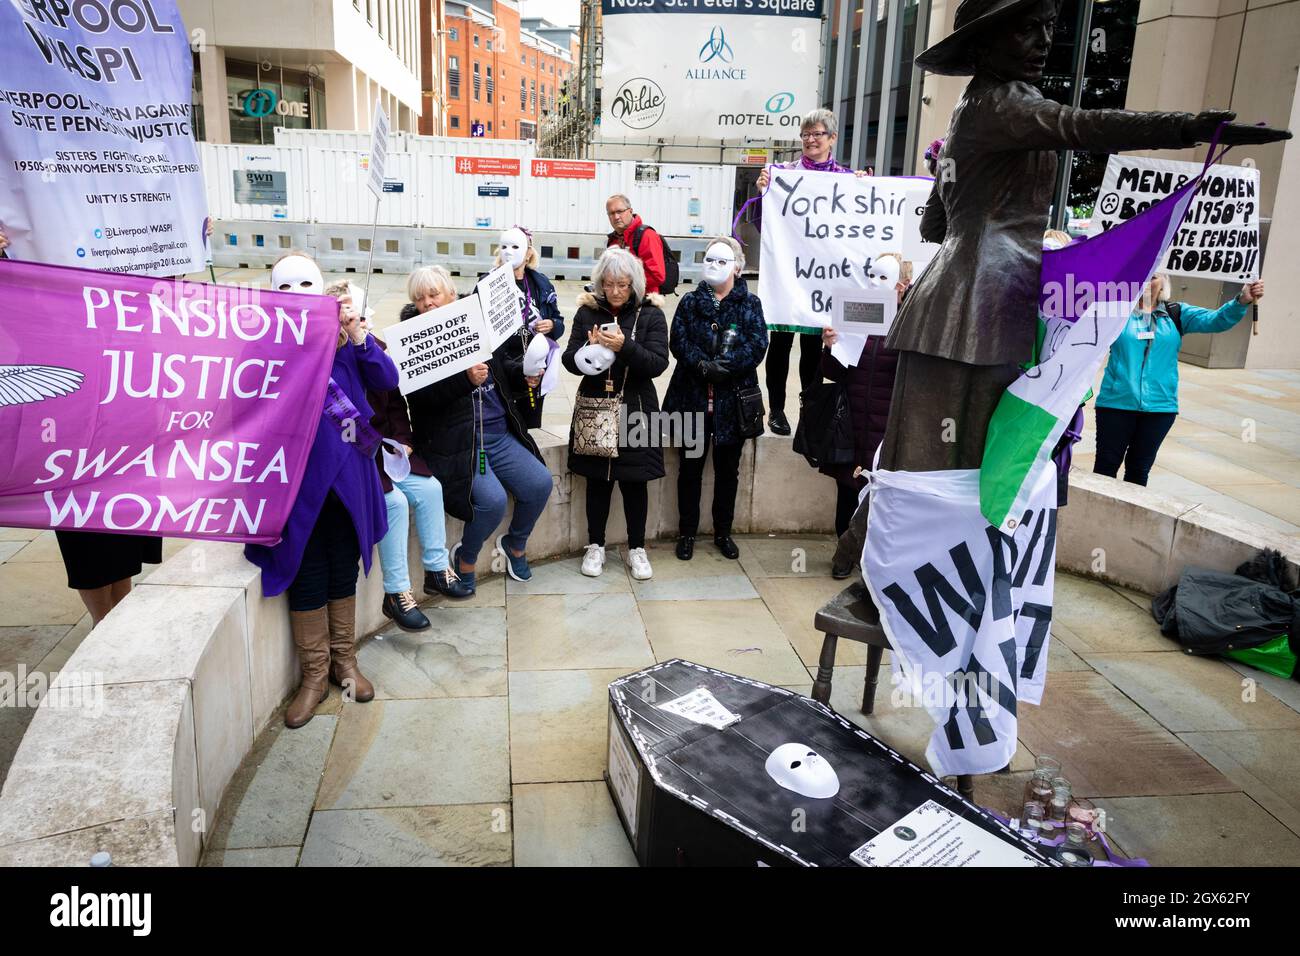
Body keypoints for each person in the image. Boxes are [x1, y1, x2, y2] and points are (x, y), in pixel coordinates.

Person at [876, 0, 1289, 477]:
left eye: (1049, 28)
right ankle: (887, 546)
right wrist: (1185, 127)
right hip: (978, 303)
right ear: (984, 44)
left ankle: (885, 546)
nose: (1044, 42)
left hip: (967, 299)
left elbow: (935, 226)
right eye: (1028, 29)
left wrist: (976, 197)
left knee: (937, 456)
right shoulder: (1005, 101)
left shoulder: (970, 109)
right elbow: (1081, 125)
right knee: (953, 460)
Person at [245, 253, 397, 729]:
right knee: (306, 572)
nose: (294, 295)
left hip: (349, 475)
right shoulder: (263, 342)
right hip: (295, 481)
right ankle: (314, 676)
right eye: (284, 286)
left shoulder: (344, 342)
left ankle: (344, 663)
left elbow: (387, 380)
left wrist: (357, 332)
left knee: (341, 569)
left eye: (304, 284)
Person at [404, 265, 553, 592]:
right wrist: (464, 380)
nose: (428, 303)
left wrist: (523, 375)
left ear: (451, 295)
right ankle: (466, 556)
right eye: (420, 298)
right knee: (492, 501)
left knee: (540, 483)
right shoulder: (414, 340)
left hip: (498, 434)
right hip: (465, 445)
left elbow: (500, 368)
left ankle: (515, 544)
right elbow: (422, 400)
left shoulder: (473, 323)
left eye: (434, 294)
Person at [754, 109, 870, 436]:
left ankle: (809, 407)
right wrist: (764, 192)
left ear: (832, 138)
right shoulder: (783, 174)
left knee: (812, 346)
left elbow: (859, 227)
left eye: (817, 133)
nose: (810, 140)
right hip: (789, 274)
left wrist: (864, 188)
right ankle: (776, 409)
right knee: (780, 341)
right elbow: (766, 227)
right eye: (805, 134)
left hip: (822, 276)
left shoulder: (846, 178)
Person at [1093, 275, 1263, 486]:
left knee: (1138, 471)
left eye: (1153, 276)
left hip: (1160, 409)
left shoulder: (1176, 313)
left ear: (1164, 281)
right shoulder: (1115, 312)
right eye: (1143, 273)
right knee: (1104, 468)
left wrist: (1242, 300)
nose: (1146, 281)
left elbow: (1217, 320)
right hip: (1116, 404)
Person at [563, 247, 670, 580]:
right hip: (596, 406)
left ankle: (637, 548)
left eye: (623, 284)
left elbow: (657, 363)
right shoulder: (588, 313)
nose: (616, 291)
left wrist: (624, 347)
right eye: (609, 284)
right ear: (601, 283)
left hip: (636, 409)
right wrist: (589, 351)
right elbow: (569, 361)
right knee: (598, 481)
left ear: (634, 283)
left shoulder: (650, 315)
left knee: (634, 482)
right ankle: (595, 546)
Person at [662, 236, 768, 561]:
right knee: (690, 470)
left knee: (727, 472)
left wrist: (729, 367)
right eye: (710, 260)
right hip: (692, 400)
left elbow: (757, 342)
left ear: (737, 267)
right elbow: (678, 340)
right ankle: (687, 533)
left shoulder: (750, 305)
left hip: (732, 405)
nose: (715, 266)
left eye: (722, 261)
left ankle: (723, 531)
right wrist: (702, 365)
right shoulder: (691, 302)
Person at [819, 253, 909, 579]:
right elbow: (834, 371)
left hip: (885, 425)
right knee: (847, 488)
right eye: (872, 276)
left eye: (883, 278)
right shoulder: (855, 316)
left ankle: (870, 558)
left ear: (901, 287)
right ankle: (844, 553)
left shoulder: (907, 325)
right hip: (852, 421)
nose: (874, 283)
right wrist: (830, 346)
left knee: (878, 495)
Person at [494, 226, 565, 429]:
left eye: (515, 246)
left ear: (528, 253)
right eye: (504, 246)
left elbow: (558, 321)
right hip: (502, 368)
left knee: (530, 428)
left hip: (534, 368)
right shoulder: (488, 284)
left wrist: (552, 325)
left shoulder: (541, 284)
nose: (508, 251)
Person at [606, 194, 667, 295]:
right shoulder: (613, 240)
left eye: (620, 211)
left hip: (643, 300)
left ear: (630, 211)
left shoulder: (647, 236)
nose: (616, 217)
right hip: (619, 299)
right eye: (611, 213)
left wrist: (624, 283)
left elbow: (657, 276)